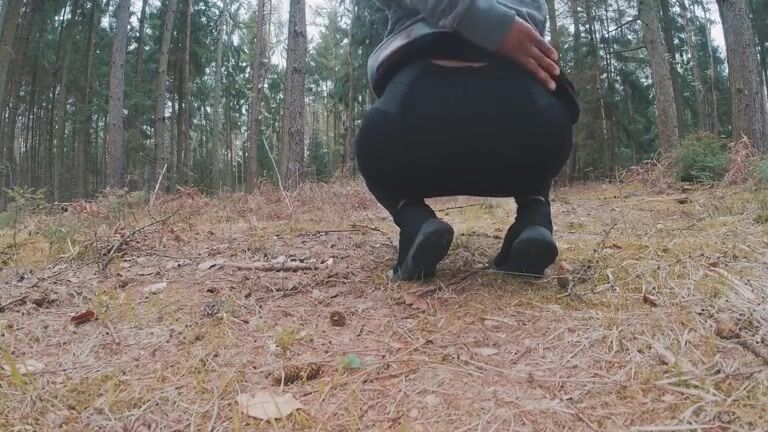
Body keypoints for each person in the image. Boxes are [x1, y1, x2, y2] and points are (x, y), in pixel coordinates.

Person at [355, 0, 580, 281]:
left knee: (375, 150)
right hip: (530, 121)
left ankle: (415, 221)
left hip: (413, 116)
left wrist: (479, 20)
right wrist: (494, 25)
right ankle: (534, 218)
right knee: (537, 134)